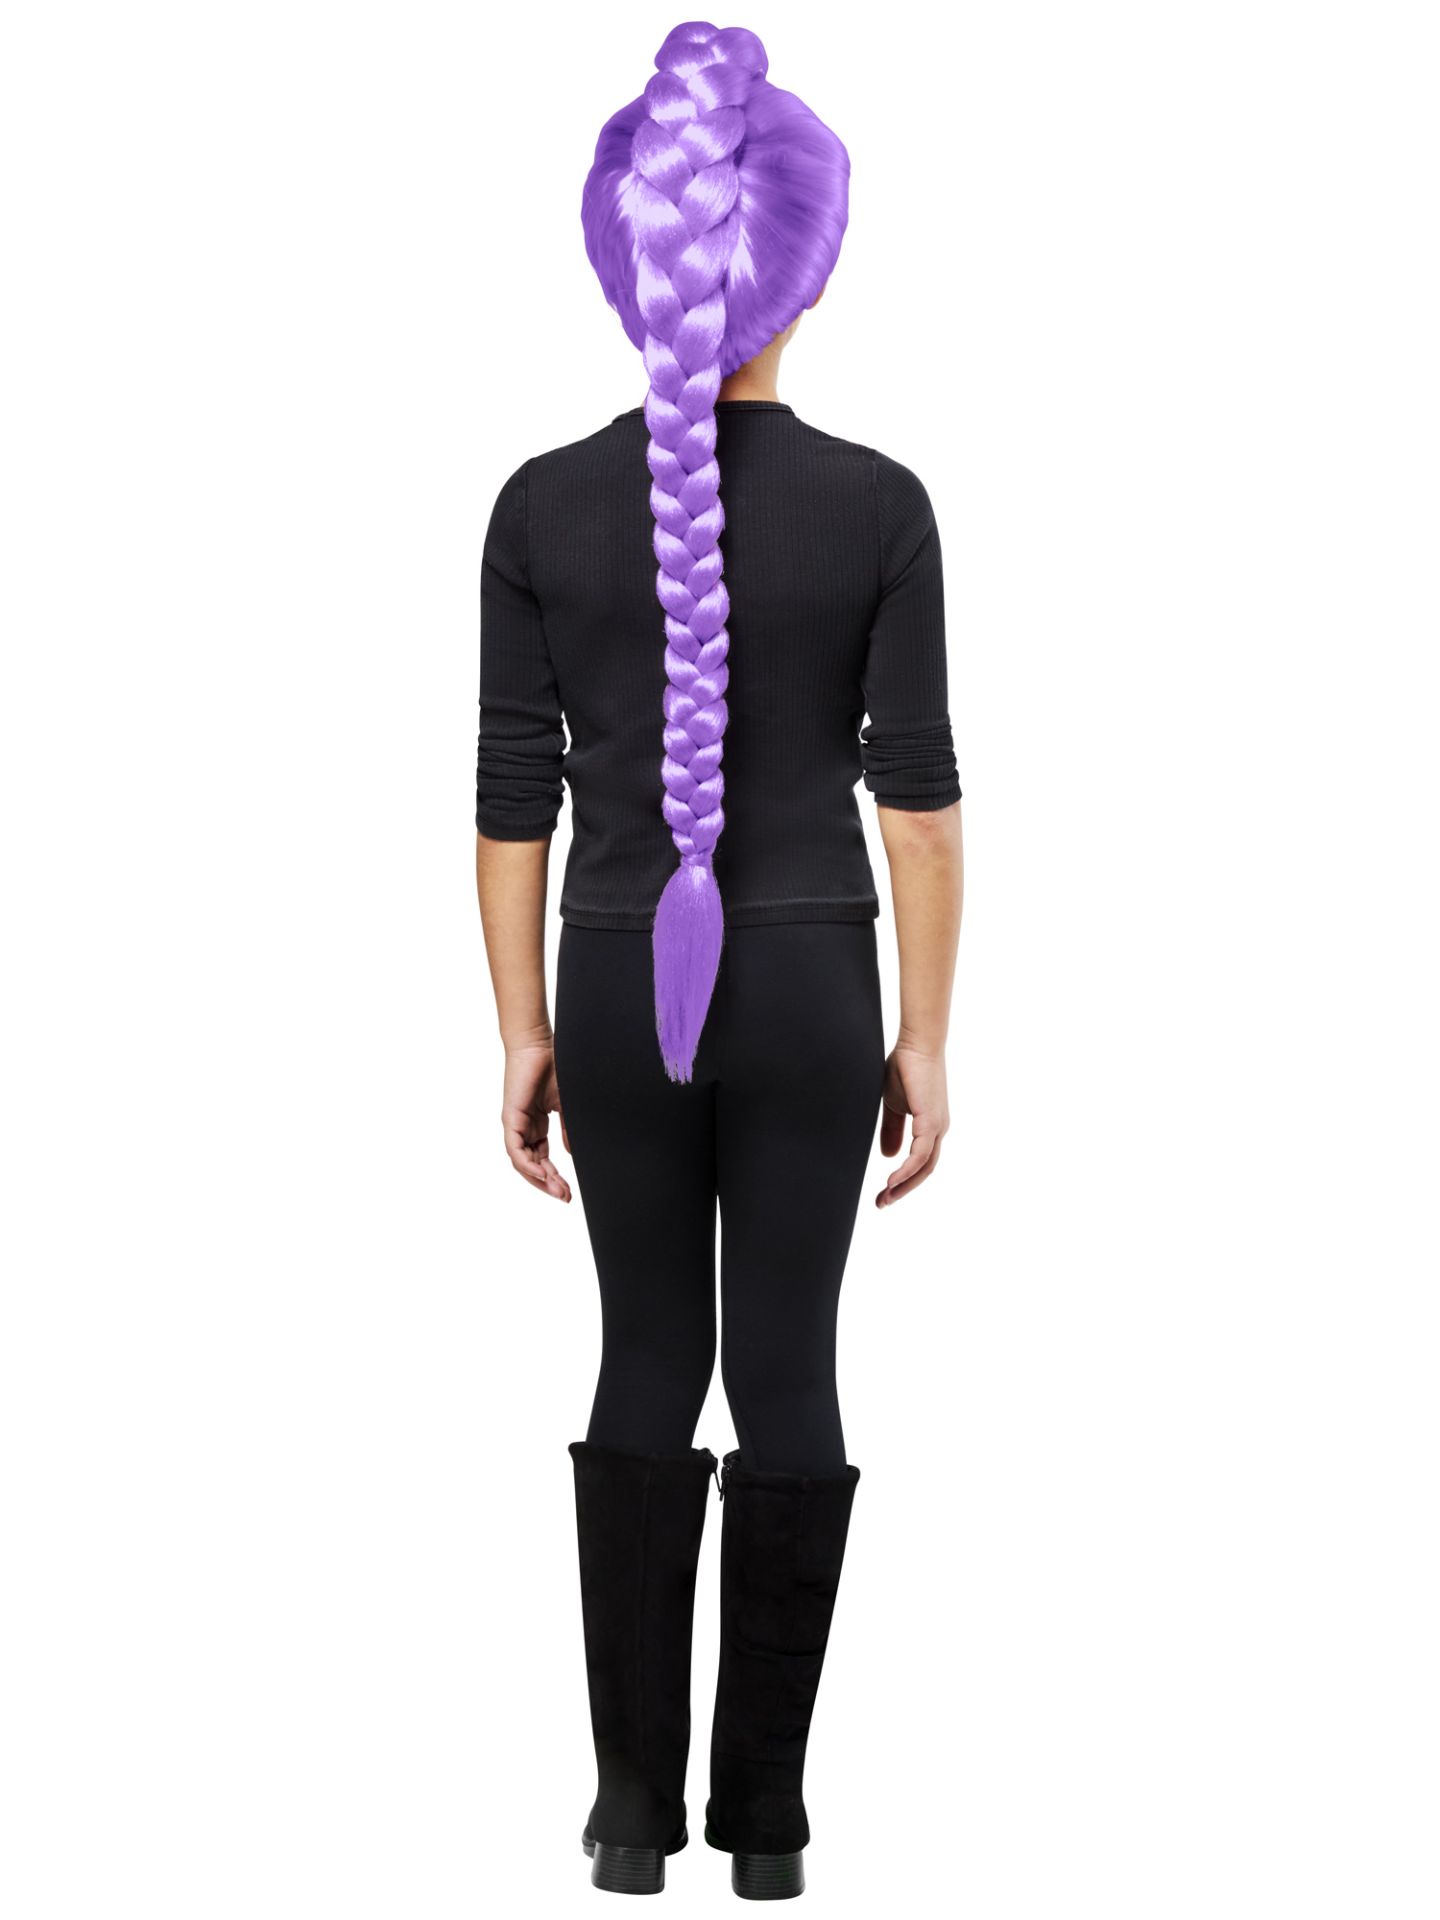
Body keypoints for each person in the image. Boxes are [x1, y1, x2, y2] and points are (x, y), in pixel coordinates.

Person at [474, 22, 963, 1901]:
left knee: (643, 1359)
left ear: (629, 259)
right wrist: (929, 1037)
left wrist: (523, 1028)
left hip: (618, 981)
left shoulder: (538, 506)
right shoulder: (882, 506)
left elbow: (511, 799)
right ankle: (766, 1827)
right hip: (819, 986)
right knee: (787, 1367)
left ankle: (626, 1822)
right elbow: (918, 809)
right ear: (808, 269)